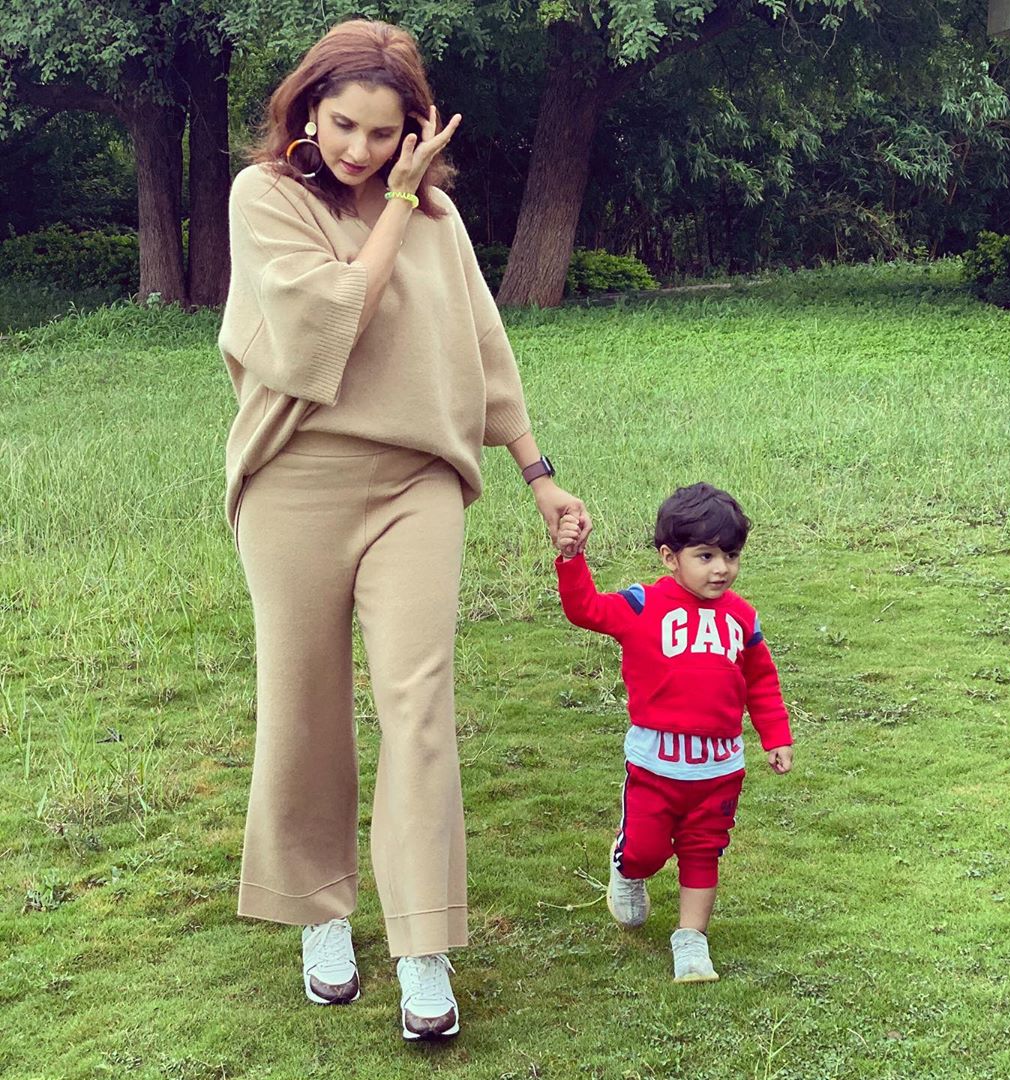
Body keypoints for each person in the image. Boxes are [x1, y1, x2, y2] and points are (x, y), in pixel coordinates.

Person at [218, 18, 591, 1041]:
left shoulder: (435, 220)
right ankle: (320, 914)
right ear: (305, 110)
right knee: (303, 704)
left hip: (415, 485)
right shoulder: (267, 199)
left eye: (384, 135)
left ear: (413, 131)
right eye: (343, 125)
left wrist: (540, 475)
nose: (359, 150)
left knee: (419, 705)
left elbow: (482, 344)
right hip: (294, 482)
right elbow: (323, 326)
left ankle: (422, 939)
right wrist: (389, 204)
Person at [554, 483, 791, 982]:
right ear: (669, 556)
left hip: (720, 768)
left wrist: (776, 735)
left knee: (704, 850)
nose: (720, 568)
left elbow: (760, 680)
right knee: (647, 849)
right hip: (655, 765)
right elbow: (586, 610)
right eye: (705, 555)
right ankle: (628, 870)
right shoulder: (643, 605)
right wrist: (572, 559)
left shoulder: (743, 617)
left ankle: (691, 941)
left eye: (731, 555)